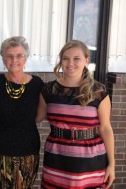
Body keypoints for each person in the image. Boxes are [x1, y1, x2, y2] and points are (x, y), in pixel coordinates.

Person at [36, 40, 115, 189]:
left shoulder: (98, 91)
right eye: (65, 58)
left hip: (90, 160)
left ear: (86, 60)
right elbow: (38, 117)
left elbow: (105, 129)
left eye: (76, 58)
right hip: (57, 158)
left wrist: (111, 164)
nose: (70, 63)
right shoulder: (48, 89)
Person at [0, 36, 44, 189]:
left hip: (26, 153)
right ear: (3, 59)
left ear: (26, 58)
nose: (14, 60)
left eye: (19, 55)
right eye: (9, 56)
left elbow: (41, 116)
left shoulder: (37, 85)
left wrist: (22, 123)